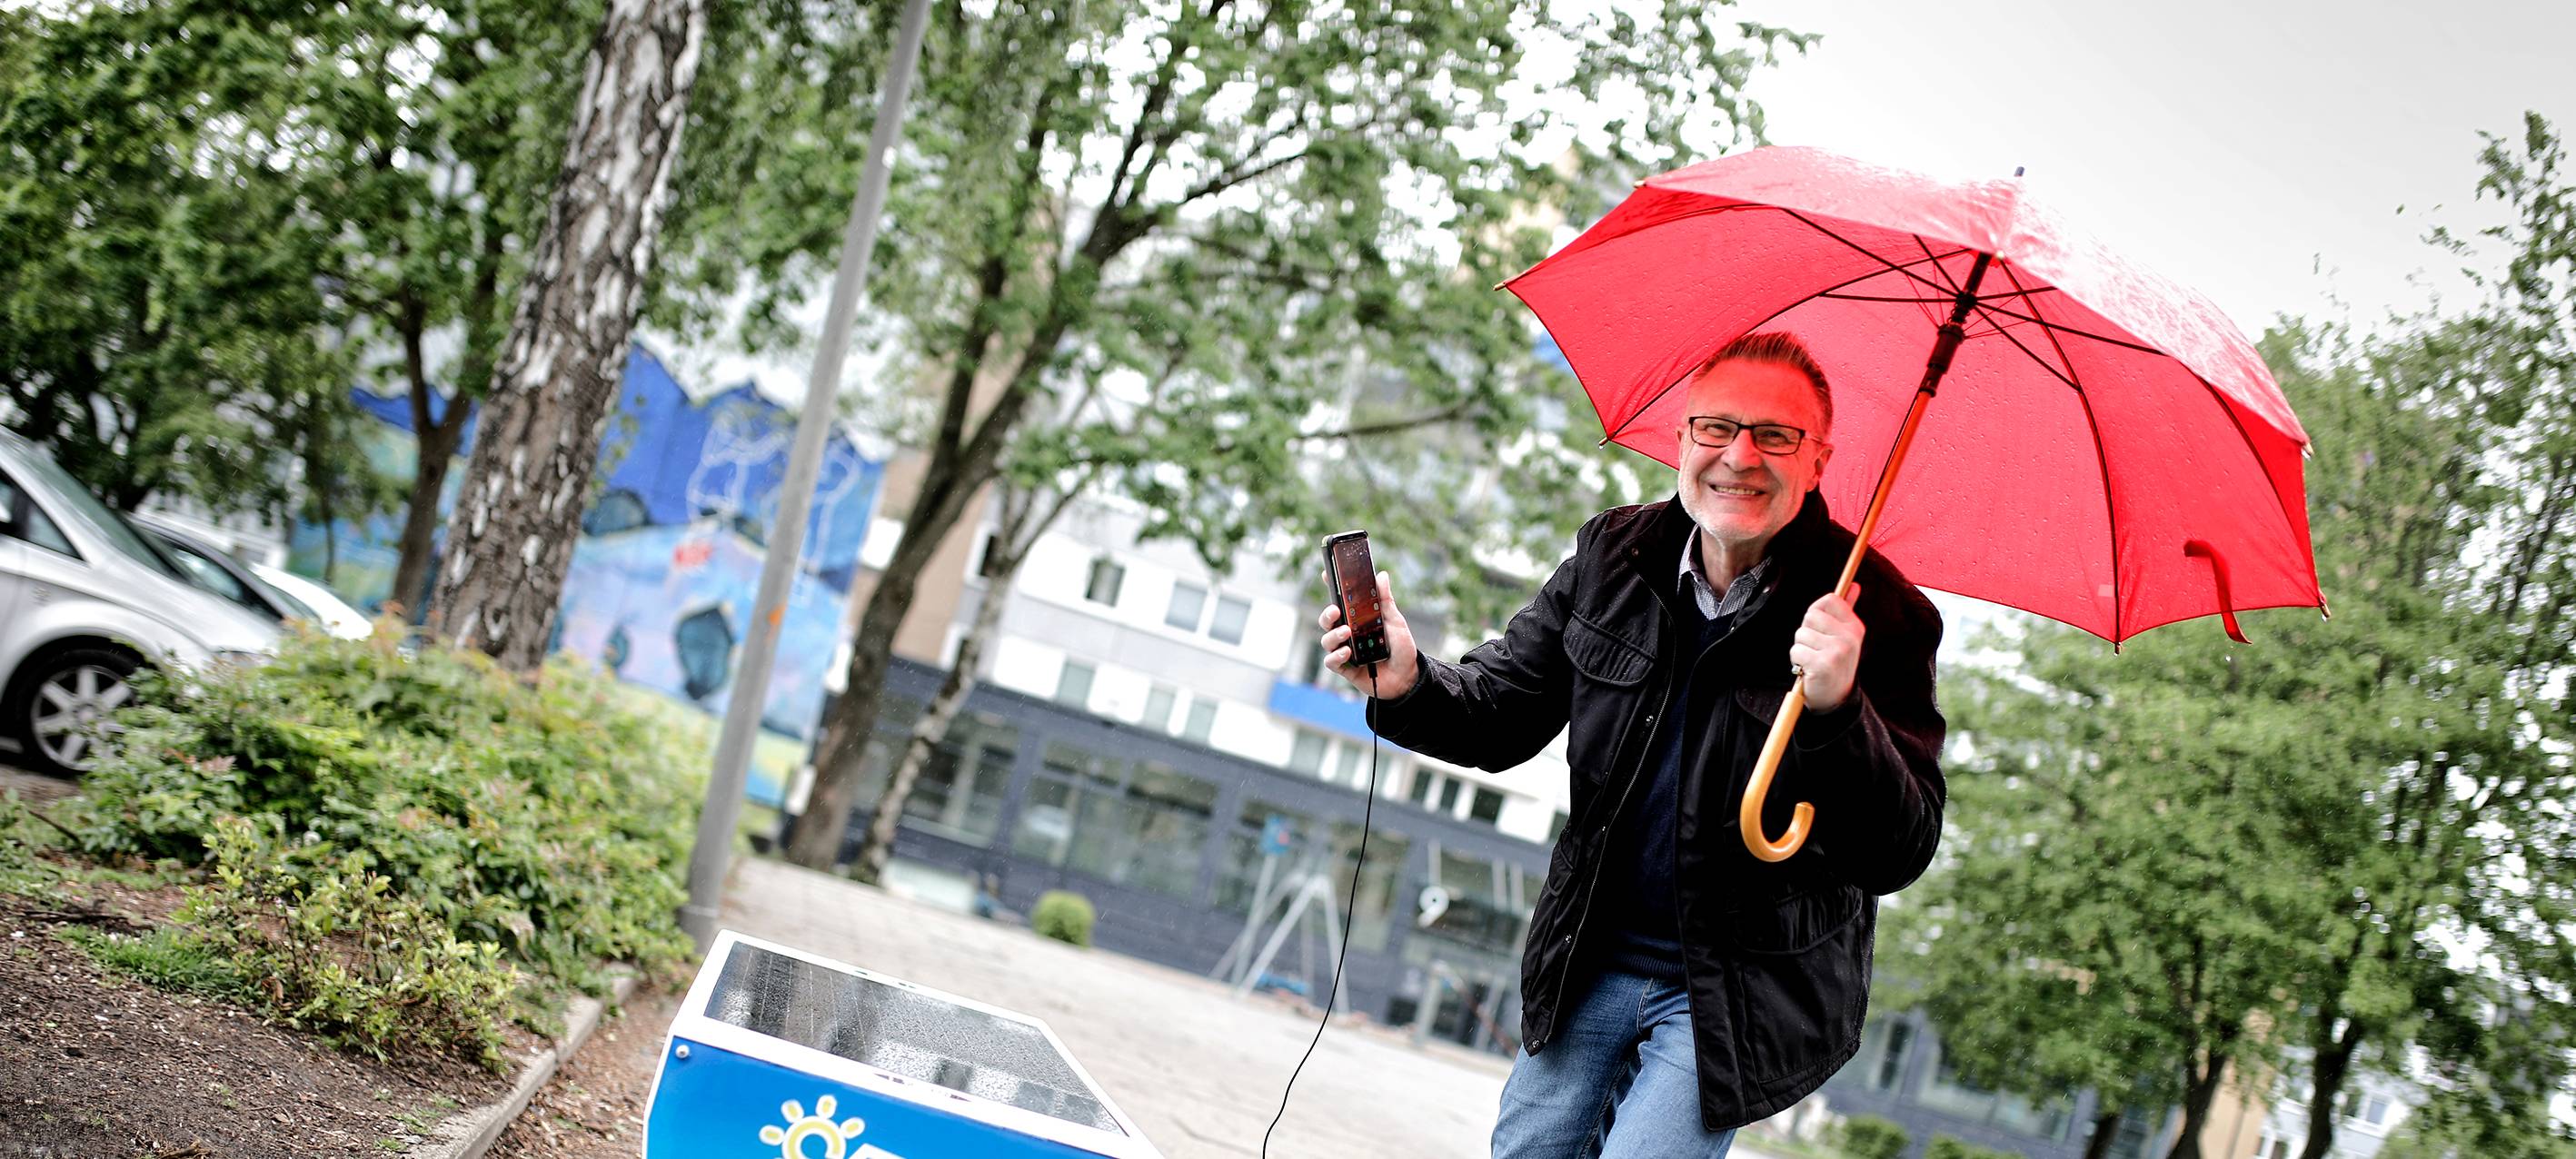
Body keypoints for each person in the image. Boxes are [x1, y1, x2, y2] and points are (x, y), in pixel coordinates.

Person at [1317, 332, 1945, 1159]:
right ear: (1680, 441)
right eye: (1715, 428)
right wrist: (1406, 683)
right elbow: (1501, 711)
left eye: (1775, 435)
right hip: (1591, 955)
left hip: (1731, 991)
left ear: (1818, 458)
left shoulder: (1879, 617)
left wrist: (1836, 709)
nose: (1738, 457)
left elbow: (1897, 849)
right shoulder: (1613, 554)